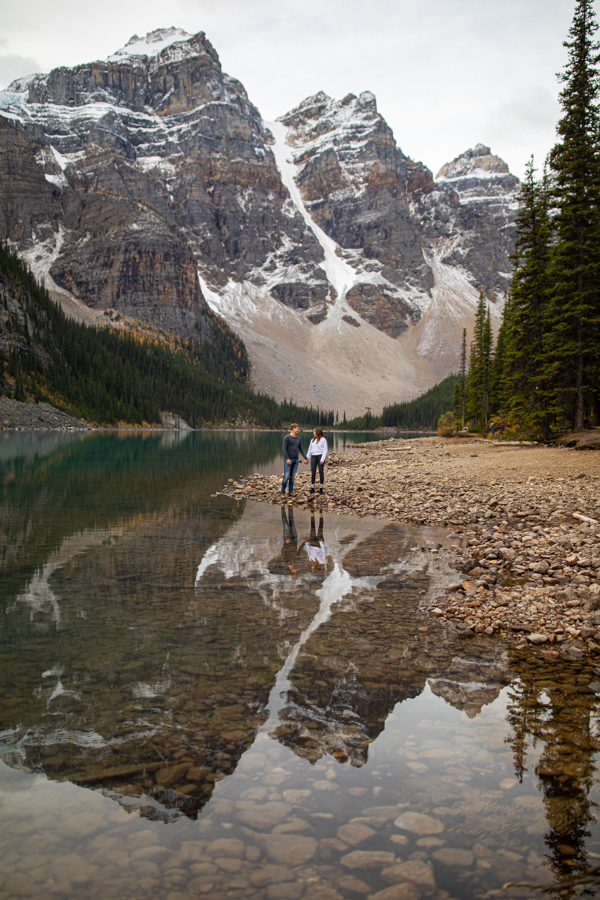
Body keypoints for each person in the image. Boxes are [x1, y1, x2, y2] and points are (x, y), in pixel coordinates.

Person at [281, 423, 307, 500]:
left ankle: (290, 492)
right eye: (297, 429)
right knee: (286, 477)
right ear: (293, 429)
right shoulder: (287, 437)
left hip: (296, 459)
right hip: (289, 459)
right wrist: (287, 458)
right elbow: (284, 449)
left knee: (292, 477)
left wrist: (305, 458)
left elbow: (301, 449)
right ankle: (283, 492)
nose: (298, 430)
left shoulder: (298, 439)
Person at [306, 427, 328, 494]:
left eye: (314, 432)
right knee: (313, 473)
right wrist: (306, 458)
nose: (313, 433)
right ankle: (312, 487)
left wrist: (322, 459)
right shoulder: (312, 440)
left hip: (320, 457)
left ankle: (321, 488)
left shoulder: (323, 440)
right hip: (313, 457)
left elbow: (325, 450)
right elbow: (310, 450)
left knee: (321, 472)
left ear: (317, 432)